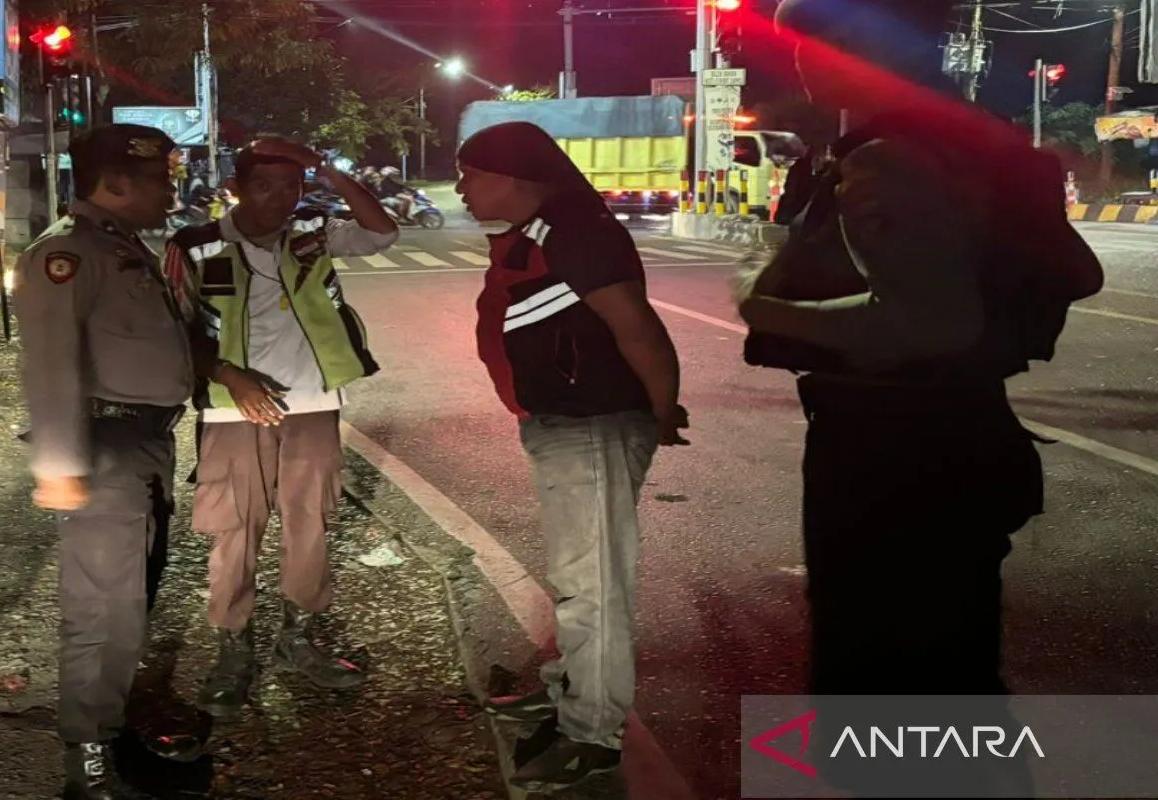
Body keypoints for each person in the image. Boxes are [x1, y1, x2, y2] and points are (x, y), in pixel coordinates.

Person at [740, 0, 1102, 793]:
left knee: (888, 680)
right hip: (964, 435)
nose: (799, 58)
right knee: (952, 671)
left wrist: (765, 309)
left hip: (890, 452)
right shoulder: (971, 141)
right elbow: (1080, 272)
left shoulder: (888, 158)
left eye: (818, 39)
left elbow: (930, 322)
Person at [458, 121, 689, 793]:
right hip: (565, 420)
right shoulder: (541, 231)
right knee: (577, 574)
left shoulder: (575, 233)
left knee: (593, 585)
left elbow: (637, 328)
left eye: (470, 174)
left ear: (511, 177)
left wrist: (663, 409)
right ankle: (570, 690)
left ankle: (591, 733)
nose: (461, 187)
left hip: (592, 424)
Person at [162, 136, 399, 722]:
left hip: (314, 401)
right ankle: (233, 647)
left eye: (291, 185)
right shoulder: (195, 245)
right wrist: (228, 375)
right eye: (264, 185)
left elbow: (382, 233)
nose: (280, 197)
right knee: (235, 526)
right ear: (236, 188)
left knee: (310, 520)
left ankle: (298, 635)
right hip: (231, 408)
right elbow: (172, 329)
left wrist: (328, 168)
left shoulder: (313, 231)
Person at [14, 124, 195, 800]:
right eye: (159, 181)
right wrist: (60, 465)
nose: (170, 192)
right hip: (104, 447)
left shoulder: (118, 244)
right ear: (115, 182)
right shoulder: (66, 253)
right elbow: (49, 360)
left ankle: (109, 739)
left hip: (141, 442)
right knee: (102, 613)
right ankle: (88, 771)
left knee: (130, 602)